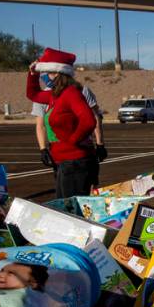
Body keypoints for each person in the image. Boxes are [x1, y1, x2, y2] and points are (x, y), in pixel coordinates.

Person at [26, 48, 98, 198]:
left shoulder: (71, 93)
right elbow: (33, 94)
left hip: (75, 162)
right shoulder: (55, 95)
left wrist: (72, 141)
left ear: (58, 73)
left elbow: (89, 120)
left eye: (48, 73)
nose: (45, 76)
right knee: (64, 207)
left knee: (72, 211)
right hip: (64, 162)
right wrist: (32, 74)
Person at [33, 80, 105, 185]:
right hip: (60, 151)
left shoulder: (81, 90)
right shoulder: (43, 95)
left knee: (80, 189)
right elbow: (40, 125)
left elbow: (93, 119)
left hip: (79, 150)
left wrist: (100, 144)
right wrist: (43, 149)